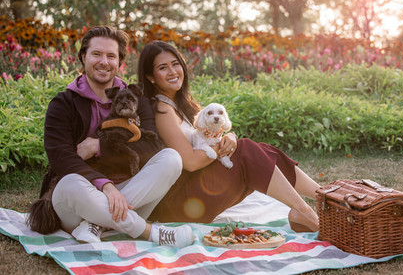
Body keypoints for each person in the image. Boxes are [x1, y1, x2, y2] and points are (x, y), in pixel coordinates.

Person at [31, 27, 193, 248]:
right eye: (97, 54)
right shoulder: (63, 103)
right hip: (80, 197)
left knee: (171, 158)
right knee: (69, 183)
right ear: (83, 57)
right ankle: (150, 232)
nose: (104, 62)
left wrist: (100, 146)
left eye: (111, 56)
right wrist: (105, 186)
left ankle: (96, 225)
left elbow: (153, 145)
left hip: (127, 189)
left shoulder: (136, 98)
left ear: (120, 62)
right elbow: (61, 157)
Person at [137, 40, 321, 232]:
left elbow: (207, 139)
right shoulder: (162, 109)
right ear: (151, 77)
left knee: (263, 151)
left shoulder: (180, 106)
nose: (173, 71)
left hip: (193, 193)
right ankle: (304, 209)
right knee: (247, 149)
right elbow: (190, 162)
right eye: (163, 68)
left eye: (175, 64)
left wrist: (230, 138)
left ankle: (323, 196)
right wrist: (224, 146)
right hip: (178, 205)